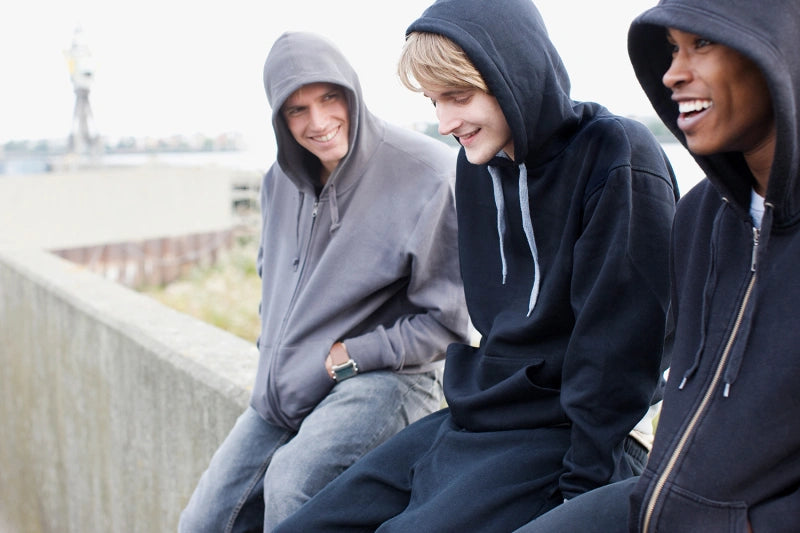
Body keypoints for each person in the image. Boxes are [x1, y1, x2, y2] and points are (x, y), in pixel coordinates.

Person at [273, 0, 679, 531]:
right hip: (478, 414)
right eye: (434, 101)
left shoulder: (616, 155)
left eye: (458, 97)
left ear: (514, 75)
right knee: (308, 523)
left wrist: (580, 495)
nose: (445, 123)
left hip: (568, 432)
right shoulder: (477, 165)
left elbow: (618, 354)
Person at [514, 0, 800, 532]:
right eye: (671, 49)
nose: (672, 73)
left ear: (780, 50)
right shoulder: (698, 217)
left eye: (702, 44)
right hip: (657, 504)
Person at [178, 31, 471, 532]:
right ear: (279, 117)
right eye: (297, 109)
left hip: (389, 377)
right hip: (286, 389)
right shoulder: (278, 181)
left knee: (294, 484)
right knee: (203, 522)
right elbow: (273, 281)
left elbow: (448, 324)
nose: (317, 122)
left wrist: (348, 354)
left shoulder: (429, 174)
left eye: (329, 98)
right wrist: (278, 359)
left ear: (351, 92)